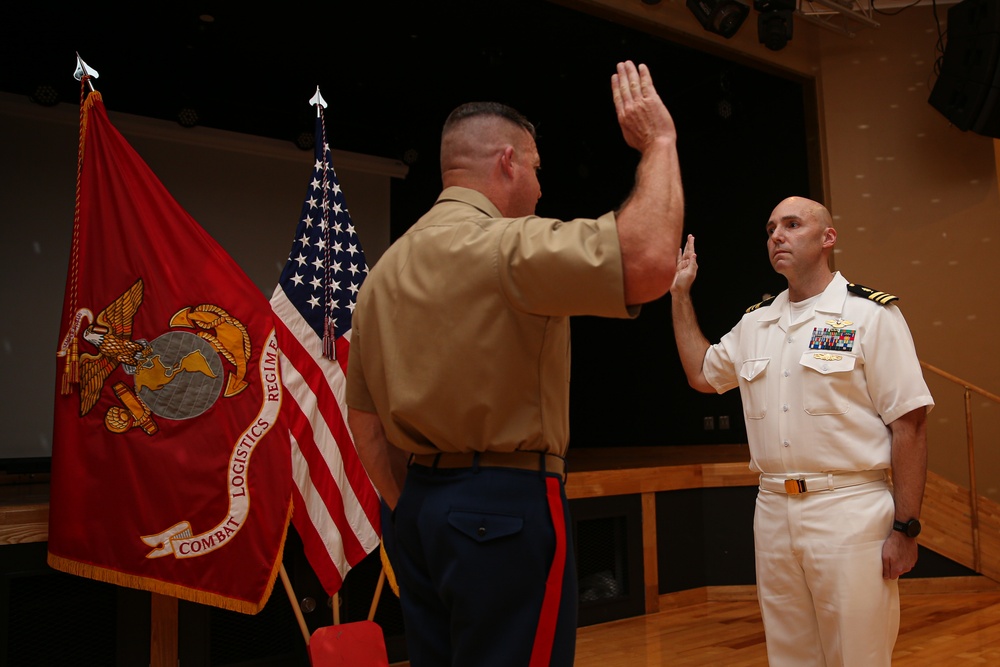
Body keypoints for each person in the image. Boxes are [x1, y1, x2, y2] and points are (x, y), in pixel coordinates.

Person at [345, 60, 683, 667]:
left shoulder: (381, 276)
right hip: (501, 507)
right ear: (506, 162)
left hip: (418, 510)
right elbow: (652, 260)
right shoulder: (506, 244)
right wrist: (659, 142)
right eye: (535, 168)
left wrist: (426, 503)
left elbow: (366, 425)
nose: (539, 187)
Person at [669, 196, 934, 666]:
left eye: (792, 225)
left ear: (827, 238)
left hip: (849, 509)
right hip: (772, 511)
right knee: (790, 656)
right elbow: (701, 373)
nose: (777, 236)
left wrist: (905, 528)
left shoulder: (870, 316)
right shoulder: (756, 322)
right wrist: (679, 294)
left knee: (859, 655)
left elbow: (909, 424)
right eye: (771, 228)